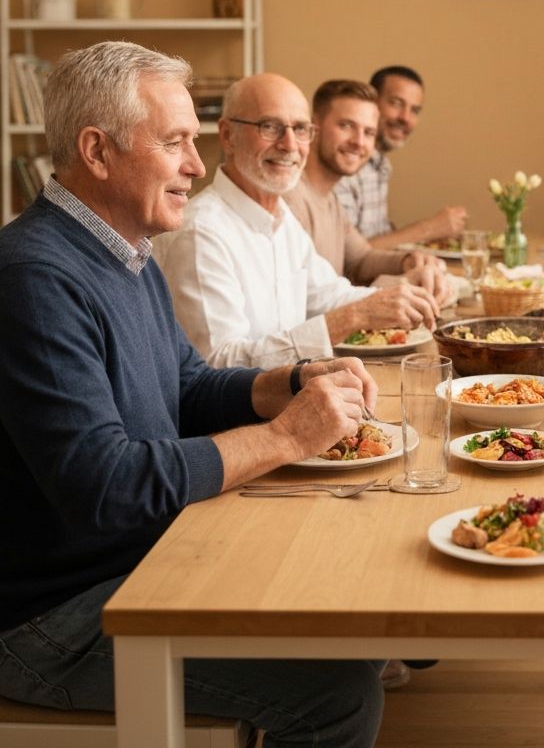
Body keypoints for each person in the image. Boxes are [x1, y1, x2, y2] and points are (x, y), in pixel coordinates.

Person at [0, 41, 384, 747]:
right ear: (97, 149)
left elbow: (186, 385)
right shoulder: (34, 275)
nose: (195, 166)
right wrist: (288, 437)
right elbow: (105, 485)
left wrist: (289, 383)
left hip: (142, 559)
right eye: (175, 142)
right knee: (341, 694)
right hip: (49, 618)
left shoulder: (127, 247)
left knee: (337, 590)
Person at [155, 72, 439, 368]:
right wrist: (354, 316)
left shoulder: (279, 215)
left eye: (301, 129)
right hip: (248, 414)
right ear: (228, 135)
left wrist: (397, 299)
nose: (290, 144)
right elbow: (217, 366)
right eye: (270, 127)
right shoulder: (201, 231)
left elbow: (328, 293)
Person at [284, 78, 451, 303]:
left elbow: (361, 258)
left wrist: (408, 261)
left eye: (369, 132)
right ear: (314, 127)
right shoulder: (290, 198)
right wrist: (396, 287)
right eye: (346, 126)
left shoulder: (329, 197)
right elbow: (309, 299)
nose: (359, 142)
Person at [337, 64, 466, 248]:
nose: (405, 118)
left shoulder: (381, 165)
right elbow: (348, 255)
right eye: (396, 103)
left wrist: (432, 237)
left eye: (414, 111)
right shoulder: (345, 165)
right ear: (372, 103)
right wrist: (428, 229)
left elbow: (377, 238)